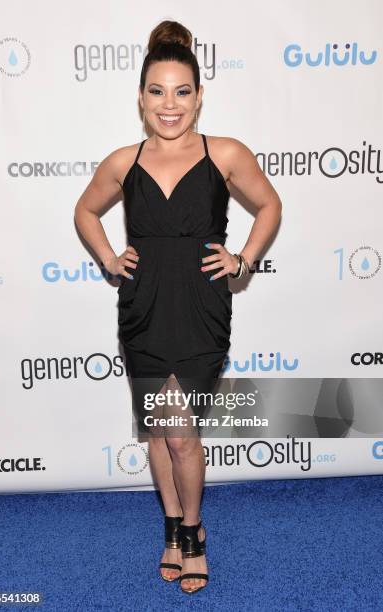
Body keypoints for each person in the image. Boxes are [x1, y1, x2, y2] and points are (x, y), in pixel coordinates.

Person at [74, 19, 282, 594]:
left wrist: (243, 259)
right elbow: (84, 211)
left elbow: (269, 205)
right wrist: (110, 258)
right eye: (158, 91)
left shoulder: (226, 153)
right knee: (161, 430)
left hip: (200, 306)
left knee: (182, 433)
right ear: (141, 98)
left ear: (199, 95)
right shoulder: (124, 160)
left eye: (182, 91)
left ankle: (193, 532)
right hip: (143, 306)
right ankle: (171, 527)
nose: (171, 105)